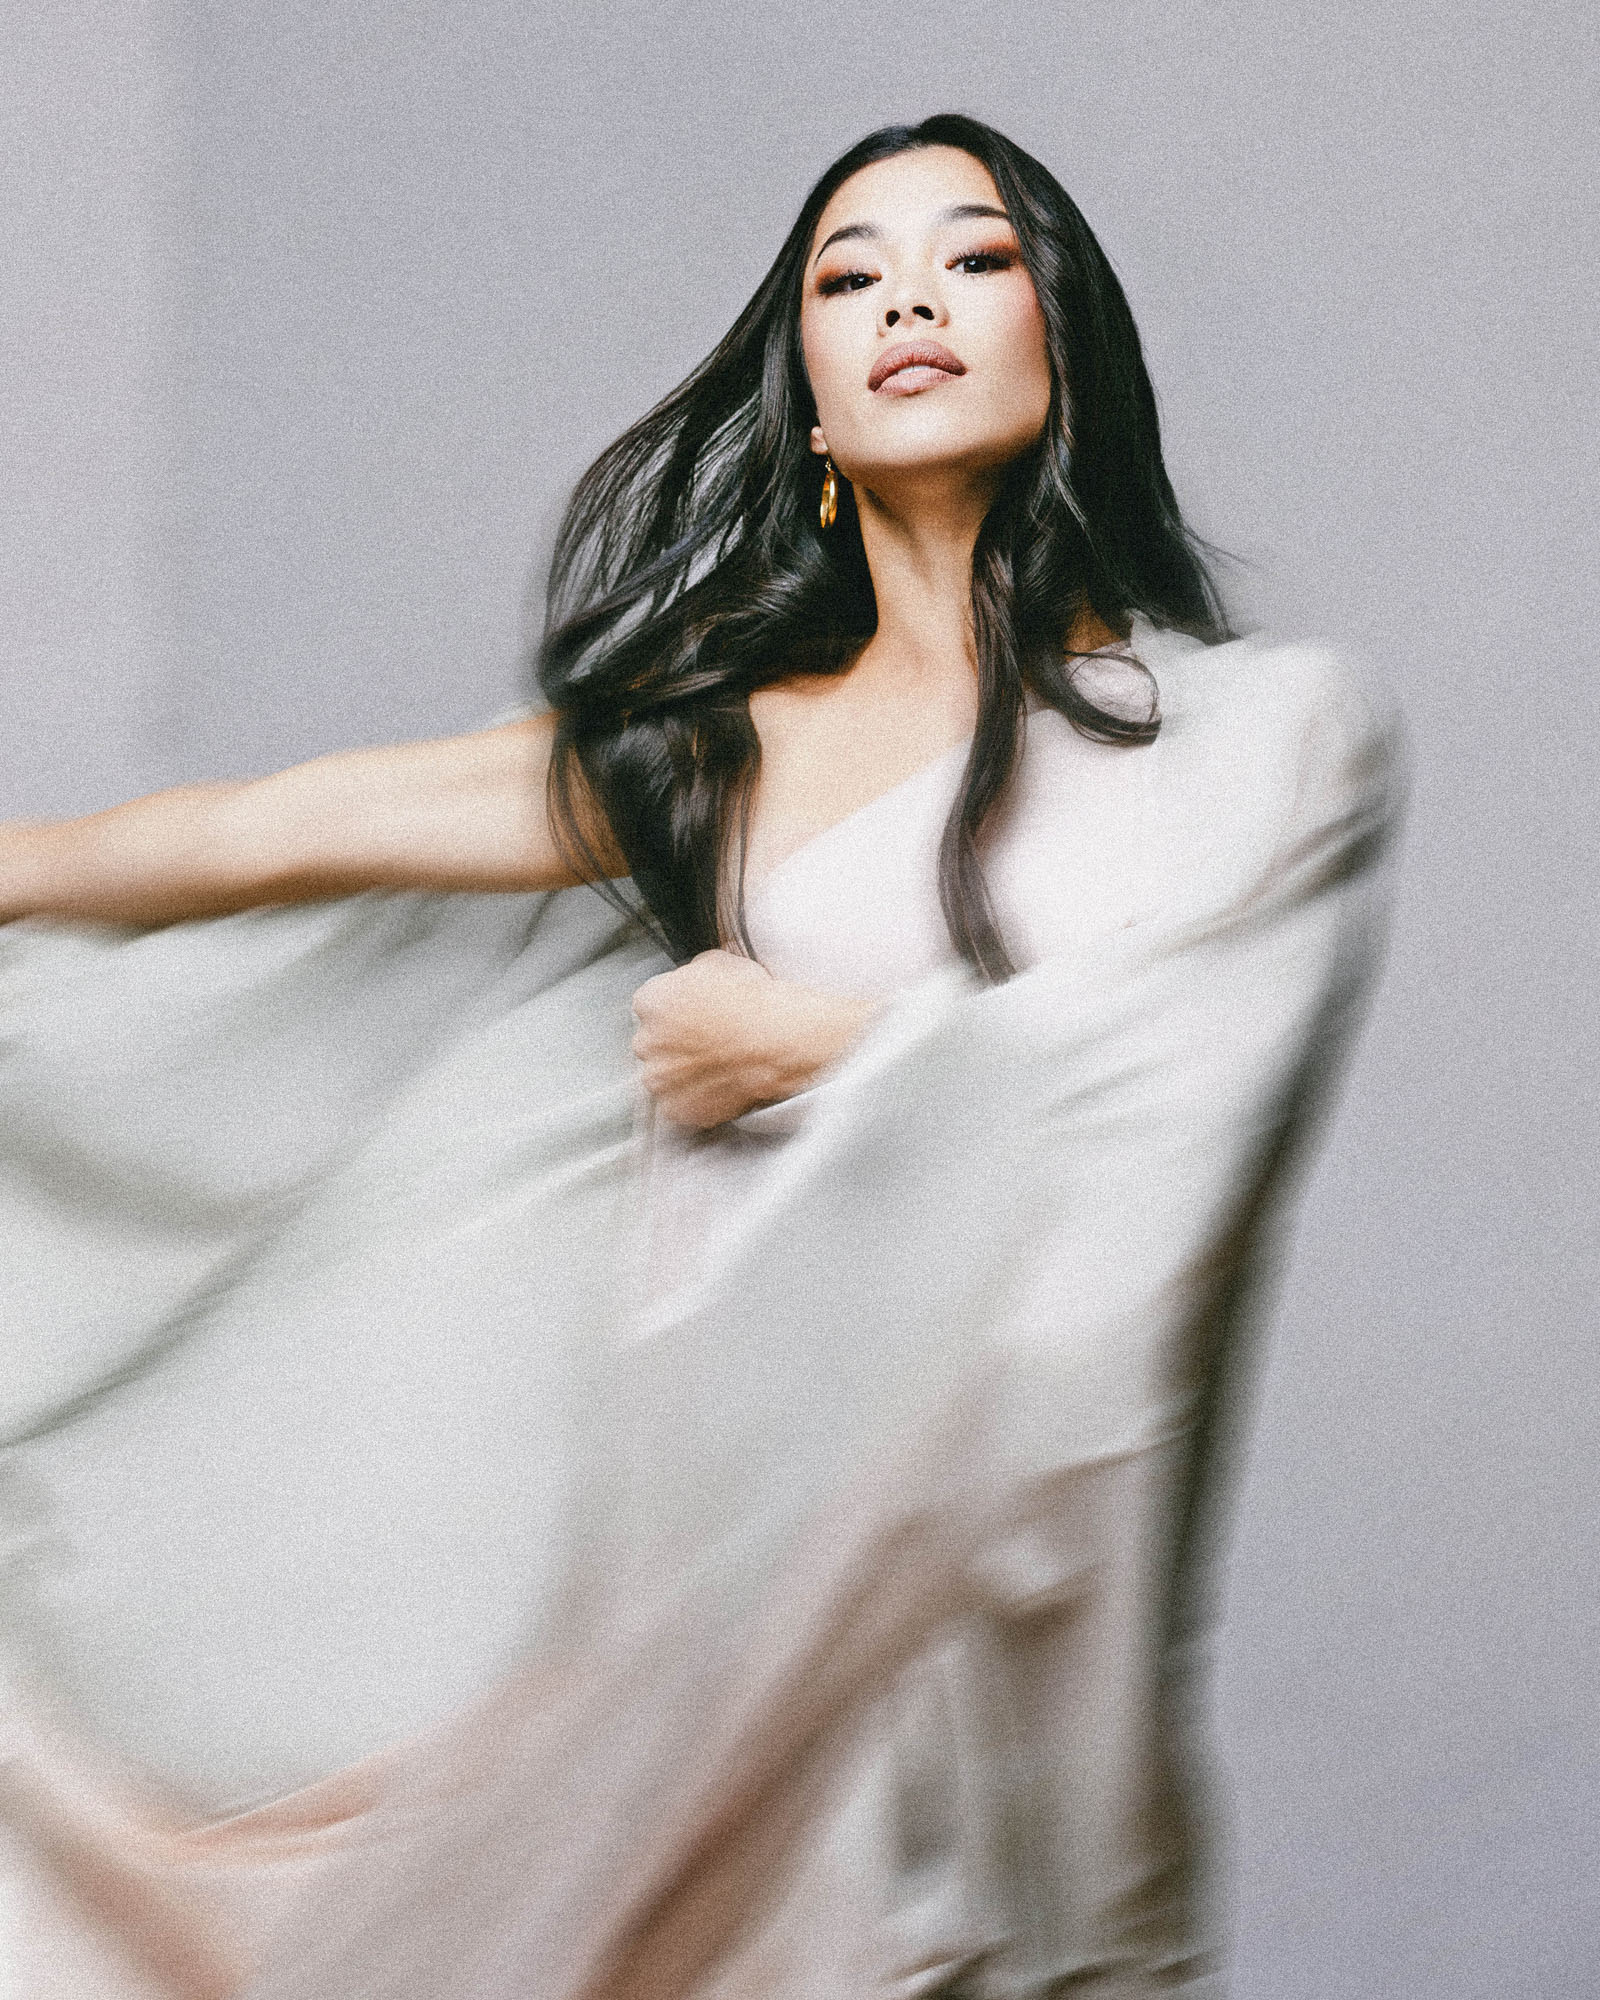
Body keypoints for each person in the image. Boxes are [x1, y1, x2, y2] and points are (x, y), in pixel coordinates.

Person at [0, 116, 1398, 1998]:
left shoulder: (1265, 741)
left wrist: (820, 1043)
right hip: (699, 1642)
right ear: (809, 405)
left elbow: (1168, 1125)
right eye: (850, 274)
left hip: (985, 1662)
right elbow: (243, 836)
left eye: (976, 259)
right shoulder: (710, 754)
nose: (910, 293)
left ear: (1067, 341)